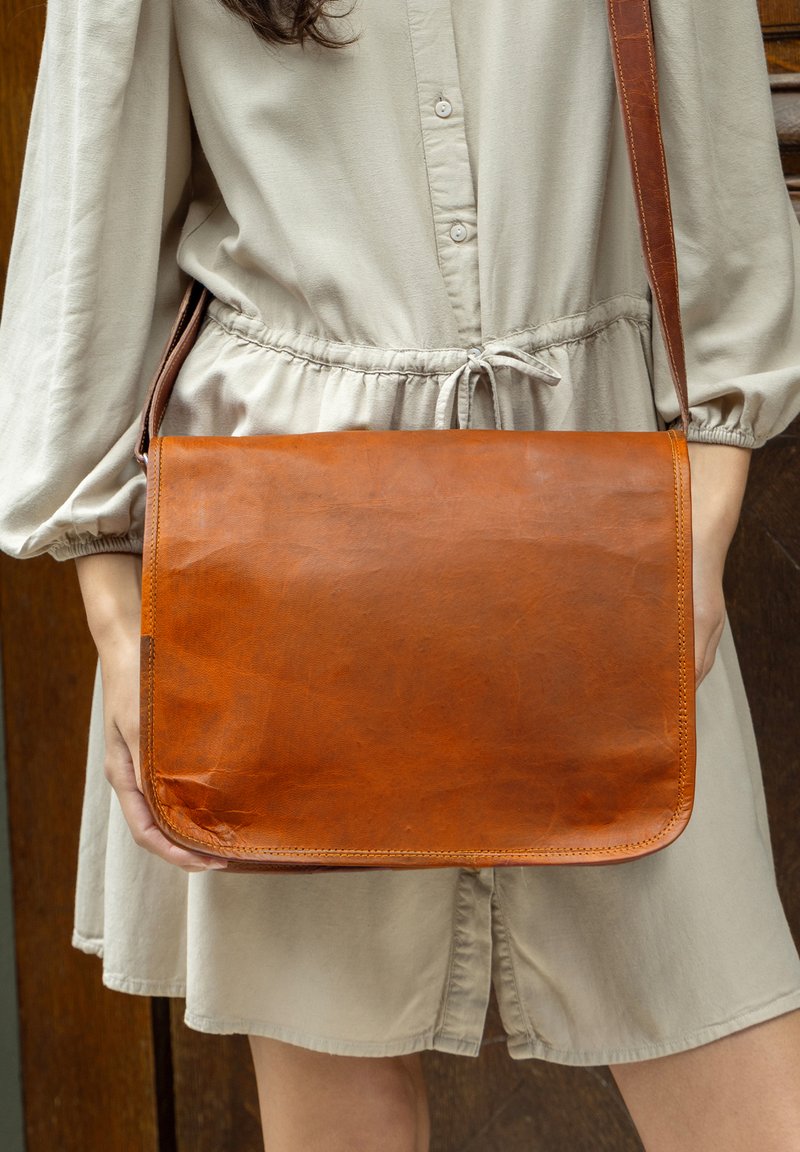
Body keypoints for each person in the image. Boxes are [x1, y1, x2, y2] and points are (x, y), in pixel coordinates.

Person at [2, 0, 800, 1148]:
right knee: (338, 1113)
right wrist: (123, 627)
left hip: (595, 522)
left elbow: (722, 183)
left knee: (743, 1089)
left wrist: (697, 535)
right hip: (286, 549)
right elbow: (91, 223)